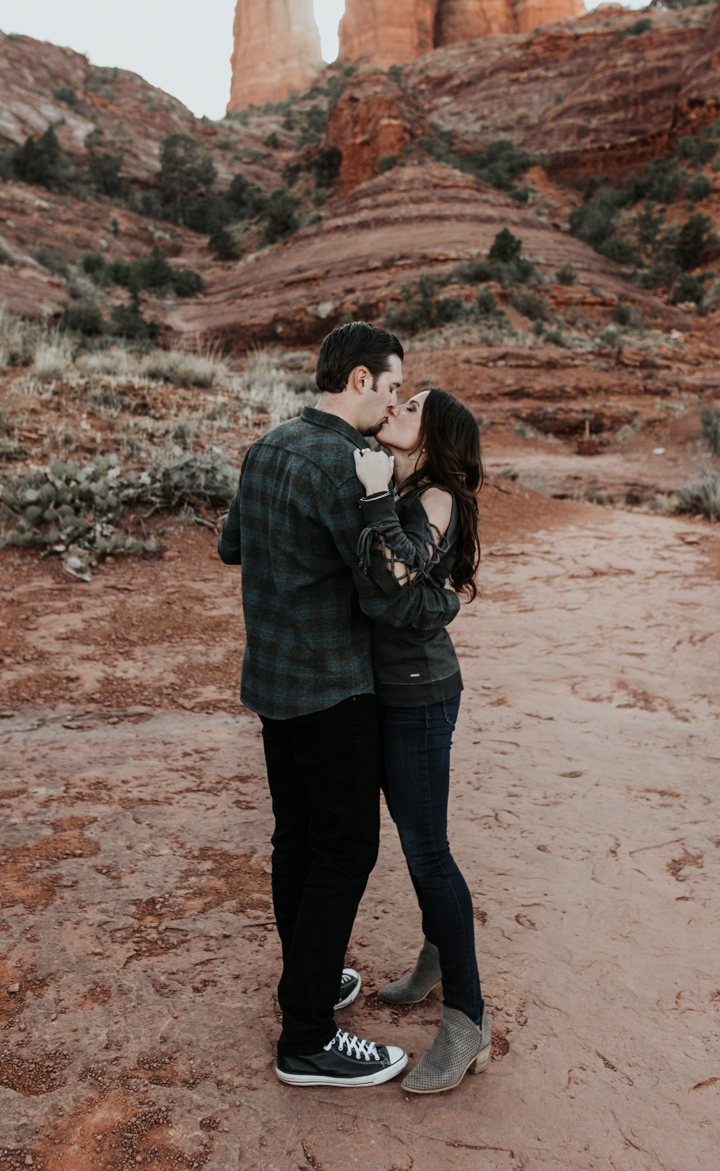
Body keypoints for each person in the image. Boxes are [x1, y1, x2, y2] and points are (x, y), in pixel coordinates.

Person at [217, 323, 461, 1089]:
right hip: (332, 690)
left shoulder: (270, 443)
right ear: (359, 380)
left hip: (273, 686)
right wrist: (443, 602)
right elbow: (390, 597)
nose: (394, 401)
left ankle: (310, 988)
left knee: (297, 843)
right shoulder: (348, 465)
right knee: (344, 851)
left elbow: (232, 545)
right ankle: (308, 1039)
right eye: (392, 388)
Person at [352, 387, 489, 1093]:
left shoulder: (437, 495)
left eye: (410, 404)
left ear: (433, 435)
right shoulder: (400, 480)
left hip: (420, 695)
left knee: (427, 849)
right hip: (381, 689)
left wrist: (376, 496)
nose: (395, 406)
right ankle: (437, 953)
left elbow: (402, 573)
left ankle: (467, 1022)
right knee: (413, 838)